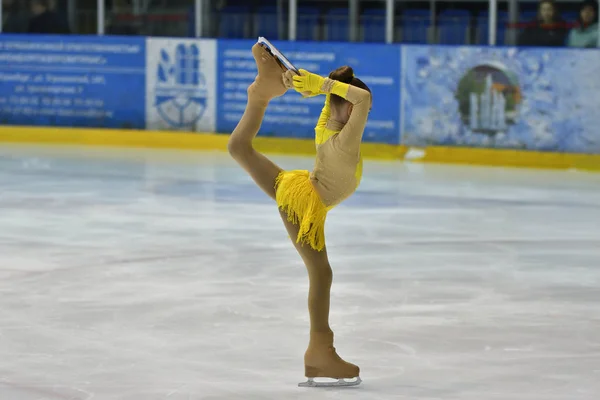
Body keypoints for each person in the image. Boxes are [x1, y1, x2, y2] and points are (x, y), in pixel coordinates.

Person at [227, 42, 371, 387]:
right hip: (305, 204)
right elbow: (361, 100)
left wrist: (298, 83)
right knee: (321, 274)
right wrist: (321, 84)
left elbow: (341, 100)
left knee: (239, 148)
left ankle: (260, 95)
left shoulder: (328, 124)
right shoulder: (346, 139)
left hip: (299, 190)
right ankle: (320, 352)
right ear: (351, 110)